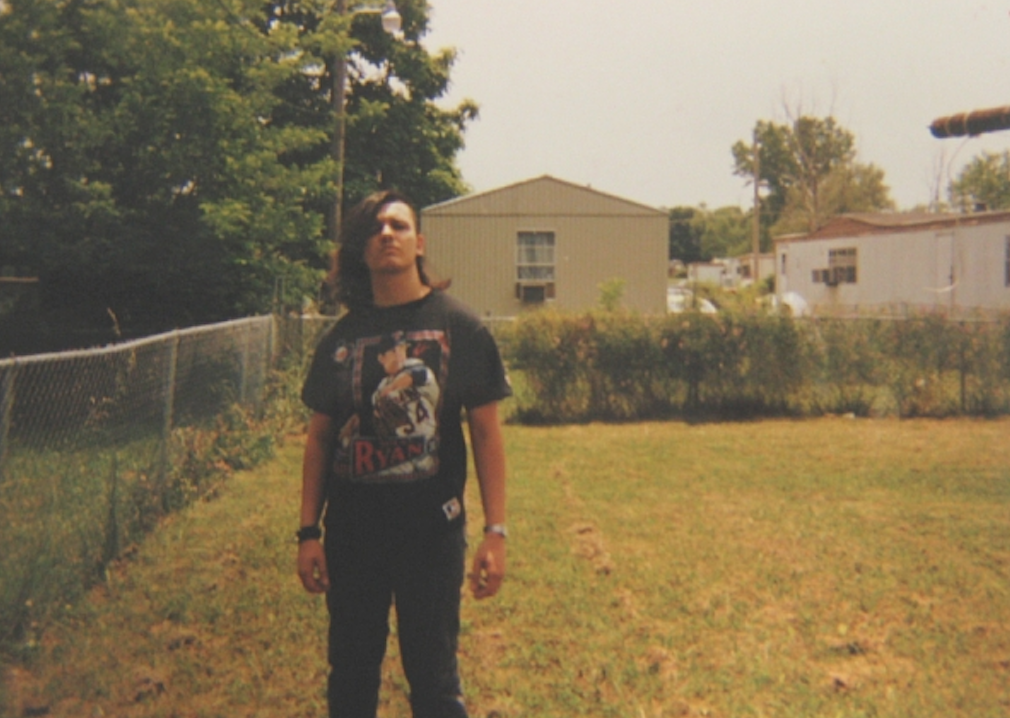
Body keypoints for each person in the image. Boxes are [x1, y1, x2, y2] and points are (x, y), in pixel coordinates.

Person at [297, 189, 511, 718]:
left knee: (435, 679)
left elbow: (486, 434)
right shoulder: (341, 338)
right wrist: (307, 533)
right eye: (374, 228)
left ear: (420, 242)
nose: (386, 234)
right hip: (352, 535)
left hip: (432, 535)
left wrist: (495, 532)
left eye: (398, 225)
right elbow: (320, 439)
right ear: (362, 250)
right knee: (351, 675)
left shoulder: (460, 327)